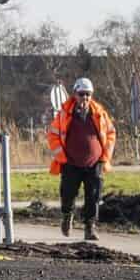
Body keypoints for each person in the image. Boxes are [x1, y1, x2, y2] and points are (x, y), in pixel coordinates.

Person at [45, 76, 116, 242]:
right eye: (81, 94)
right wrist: (62, 157)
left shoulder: (99, 114)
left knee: (94, 196)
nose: (85, 97)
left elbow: (111, 133)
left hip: (95, 164)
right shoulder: (64, 114)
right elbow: (52, 135)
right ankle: (67, 217)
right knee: (68, 194)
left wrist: (104, 157)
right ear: (75, 95)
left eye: (88, 94)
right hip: (70, 163)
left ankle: (90, 227)